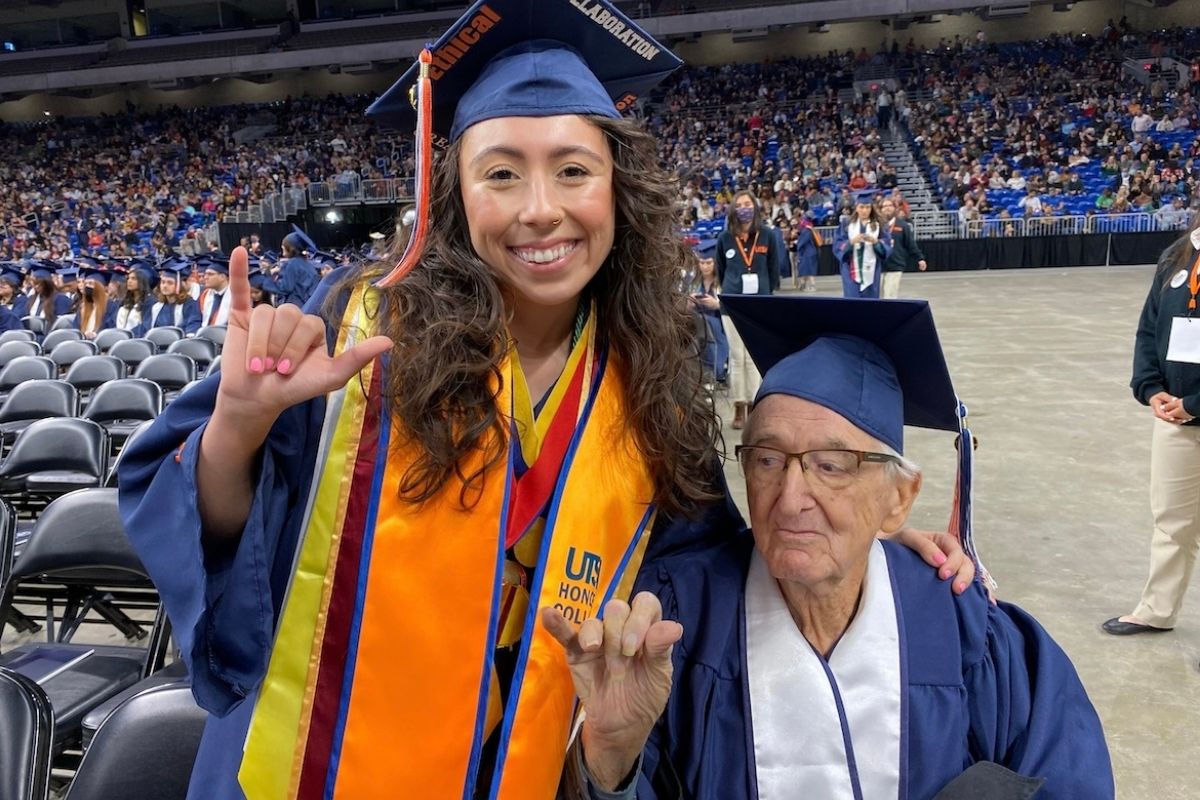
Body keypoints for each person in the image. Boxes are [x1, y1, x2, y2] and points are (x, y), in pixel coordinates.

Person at [117, 4, 973, 799]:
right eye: (501, 174)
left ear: (618, 190)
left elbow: (706, 564)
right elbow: (218, 536)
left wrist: (857, 522)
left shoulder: (648, 380)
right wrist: (239, 424)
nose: (540, 211)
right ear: (452, 193)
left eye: (573, 170)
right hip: (317, 769)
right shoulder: (354, 327)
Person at [547, 295, 1115, 799]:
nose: (792, 498)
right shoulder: (674, 625)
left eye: (833, 466)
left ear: (899, 498)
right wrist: (610, 761)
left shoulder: (964, 628)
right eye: (767, 460)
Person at [1104, 215, 1200, 636]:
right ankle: (1156, 610)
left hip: (1191, 407)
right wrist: (1149, 386)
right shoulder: (1176, 256)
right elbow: (1149, 328)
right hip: (1175, 418)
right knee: (1171, 519)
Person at [715, 190, 782, 429]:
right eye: (739, 204)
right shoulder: (725, 238)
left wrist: (766, 292)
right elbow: (720, 270)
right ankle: (739, 405)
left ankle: (756, 404)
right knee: (736, 357)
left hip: (759, 304)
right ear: (733, 209)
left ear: (754, 207)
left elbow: (774, 268)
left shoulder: (767, 236)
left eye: (748, 203)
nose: (744, 208)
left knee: (754, 357)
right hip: (732, 304)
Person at [833, 192, 891, 299]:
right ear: (856, 207)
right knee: (852, 301)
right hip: (850, 269)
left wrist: (875, 242)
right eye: (862, 207)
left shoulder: (880, 225)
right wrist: (851, 242)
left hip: (872, 269)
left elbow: (886, 245)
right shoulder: (847, 224)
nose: (865, 211)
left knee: (870, 302)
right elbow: (838, 245)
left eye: (868, 207)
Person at [687, 241, 727, 385]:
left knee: (710, 324)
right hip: (698, 323)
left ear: (715, 263)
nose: (705, 266)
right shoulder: (693, 282)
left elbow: (730, 307)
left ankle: (715, 369)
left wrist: (717, 305)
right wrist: (689, 303)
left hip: (719, 324)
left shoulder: (723, 282)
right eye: (702, 263)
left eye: (709, 262)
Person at [137, 258, 201, 336]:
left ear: (179, 286)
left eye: (170, 283)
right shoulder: (156, 307)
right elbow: (145, 329)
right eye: (163, 282)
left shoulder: (190, 305)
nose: (165, 286)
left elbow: (192, 327)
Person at [880, 196, 928, 299]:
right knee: (875, 297)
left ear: (895, 208)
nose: (887, 208)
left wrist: (920, 258)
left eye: (890, 205)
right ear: (880, 209)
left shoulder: (902, 226)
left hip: (895, 266)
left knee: (890, 297)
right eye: (884, 206)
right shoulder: (876, 226)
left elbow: (910, 244)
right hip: (878, 266)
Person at [275, 228, 319, 308]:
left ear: (290, 248)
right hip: (306, 305)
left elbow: (286, 287)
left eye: (284, 245)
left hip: (293, 306)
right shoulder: (308, 264)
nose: (282, 247)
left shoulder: (291, 264)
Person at [74, 266, 117, 339]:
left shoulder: (111, 306)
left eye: (90, 284)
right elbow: (75, 328)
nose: (87, 286)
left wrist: (96, 335)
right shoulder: (83, 307)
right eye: (86, 284)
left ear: (100, 287)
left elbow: (112, 330)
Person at [198, 255, 233, 327]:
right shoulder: (204, 295)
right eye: (205, 274)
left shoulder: (235, 296)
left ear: (222, 277)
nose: (205, 277)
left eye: (210, 274)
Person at [794, 216, 820, 293]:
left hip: (807, 253)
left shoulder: (806, 231)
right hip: (811, 252)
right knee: (807, 270)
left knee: (808, 270)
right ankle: (804, 285)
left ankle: (811, 286)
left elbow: (802, 242)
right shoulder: (811, 229)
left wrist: (797, 243)